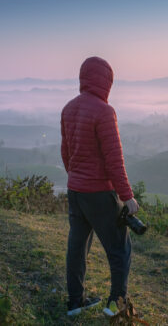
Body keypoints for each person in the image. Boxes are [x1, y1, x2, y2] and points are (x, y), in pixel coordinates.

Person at [60, 56, 139, 317]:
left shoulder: (69, 108)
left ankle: (75, 302)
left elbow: (66, 152)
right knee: (120, 248)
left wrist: (75, 178)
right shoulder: (105, 112)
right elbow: (114, 159)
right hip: (99, 193)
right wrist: (127, 197)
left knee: (77, 246)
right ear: (106, 81)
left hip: (76, 190)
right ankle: (116, 304)